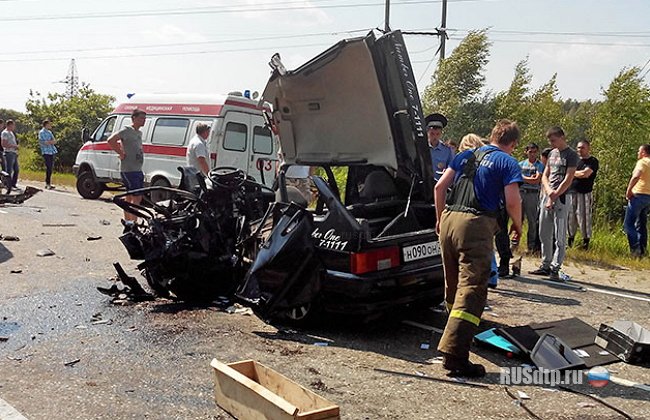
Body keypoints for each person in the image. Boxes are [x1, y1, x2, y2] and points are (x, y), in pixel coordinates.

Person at [434, 119, 522, 377]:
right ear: (513, 144)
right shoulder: (507, 162)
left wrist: (440, 219)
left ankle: (455, 335)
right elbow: (513, 199)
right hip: (475, 224)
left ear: (493, 135)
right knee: (472, 288)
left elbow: (440, 187)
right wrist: (517, 225)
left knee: (453, 286)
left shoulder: (465, 155)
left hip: (449, 219)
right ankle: (455, 356)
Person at [529, 127, 577, 281]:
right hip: (547, 195)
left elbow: (569, 178)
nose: (552, 143)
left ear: (562, 137)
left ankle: (556, 267)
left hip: (562, 198)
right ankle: (545, 264)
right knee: (544, 232)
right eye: (550, 141)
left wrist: (555, 194)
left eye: (554, 140)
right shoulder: (551, 153)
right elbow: (545, 175)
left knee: (560, 235)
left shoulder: (571, 155)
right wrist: (549, 191)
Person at [107, 109, 146, 223]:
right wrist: (120, 153)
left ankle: (128, 221)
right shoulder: (126, 130)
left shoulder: (139, 133)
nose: (143, 121)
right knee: (136, 197)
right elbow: (111, 140)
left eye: (144, 118)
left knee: (130, 197)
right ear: (133, 118)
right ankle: (133, 222)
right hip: (129, 169)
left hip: (137, 168)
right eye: (141, 118)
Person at [567, 140, 599, 249]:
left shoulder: (592, 161)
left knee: (584, 218)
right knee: (570, 218)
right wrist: (574, 174)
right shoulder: (575, 160)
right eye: (578, 148)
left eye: (582, 147)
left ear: (588, 148)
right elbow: (566, 172)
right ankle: (570, 242)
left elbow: (585, 174)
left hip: (584, 193)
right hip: (571, 192)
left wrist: (571, 174)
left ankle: (586, 243)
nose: (580, 150)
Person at [623, 144, 650, 257]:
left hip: (639, 194)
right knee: (641, 224)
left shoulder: (642, 162)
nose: (637, 153)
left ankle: (635, 250)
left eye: (639, 151)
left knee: (628, 224)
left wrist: (629, 191)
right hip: (648, 197)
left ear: (644, 152)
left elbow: (636, 176)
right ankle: (643, 249)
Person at [519, 143, 544, 253]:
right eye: (530, 152)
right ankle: (514, 243)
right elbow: (516, 177)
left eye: (534, 152)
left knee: (532, 221)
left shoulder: (540, 165)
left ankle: (531, 246)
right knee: (518, 220)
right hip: (520, 193)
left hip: (532, 194)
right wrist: (529, 178)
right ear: (526, 152)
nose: (532, 154)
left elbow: (536, 180)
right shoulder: (520, 164)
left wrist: (524, 177)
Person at [425, 113, 454, 182]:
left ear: (441, 134)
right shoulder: (421, 148)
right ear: (427, 132)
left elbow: (452, 168)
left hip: (440, 185)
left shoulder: (447, 150)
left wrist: (447, 172)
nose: (435, 137)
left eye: (437, 134)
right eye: (432, 134)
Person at [38, 120, 58, 189]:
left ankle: (49, 183)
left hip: (51, 151)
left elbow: (54, 141)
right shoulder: (41, 132)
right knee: (48, 167)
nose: (50, 125)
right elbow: (43, 142)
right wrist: (50, 142)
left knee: (51, 168)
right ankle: (47, 183)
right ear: (46, 125)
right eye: (49, 124)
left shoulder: (50, 132)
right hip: (46, 151)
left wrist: (50, 142)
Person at [1, 120, 19, 190]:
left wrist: (16, 149)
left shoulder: (11, 133)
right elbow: (4, 144)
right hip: (8, 153)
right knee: (9, 170)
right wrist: (13, 146)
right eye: (13, 125)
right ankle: (8, 185)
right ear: (9, 125)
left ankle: (13, 184)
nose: (14, 127)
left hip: (13, 153)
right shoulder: (5, 133)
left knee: (16, 169)